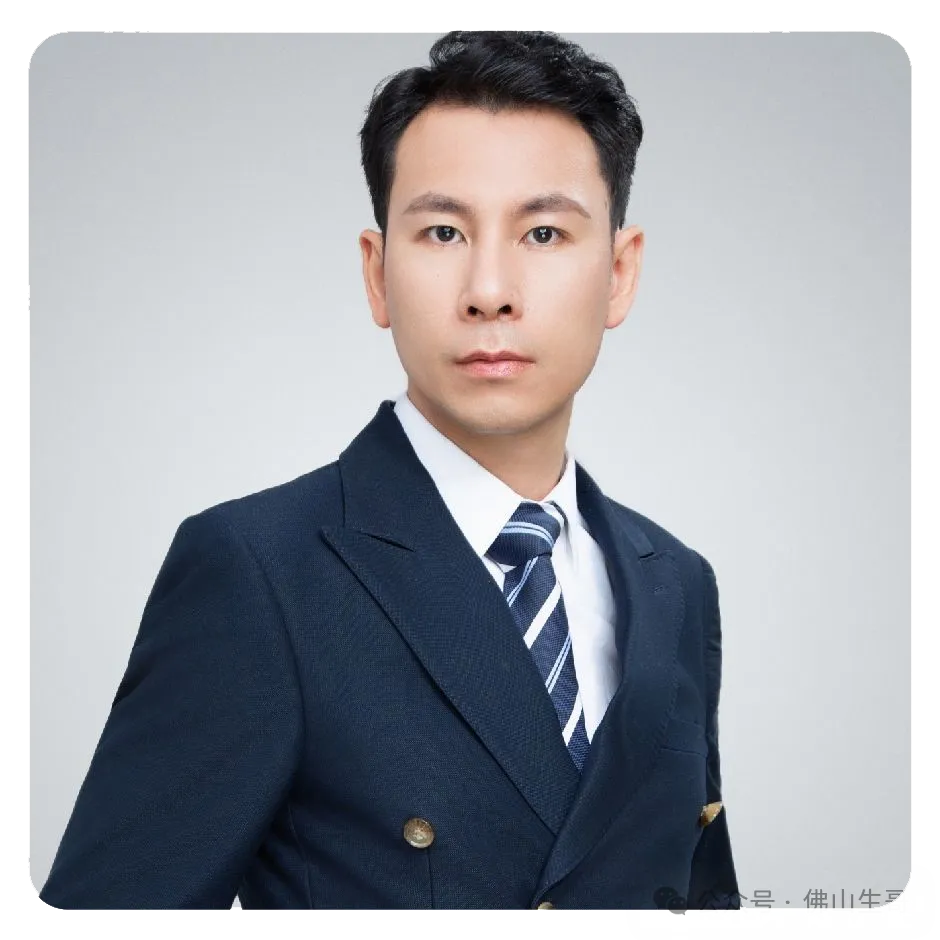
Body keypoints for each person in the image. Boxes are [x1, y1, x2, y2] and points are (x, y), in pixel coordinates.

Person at [39, 29, 739, 911]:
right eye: (443, 231)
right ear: (377, 273)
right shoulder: (260, 571)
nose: (490, 290)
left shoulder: (675, 583)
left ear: (620, 273)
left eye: (545, 232)